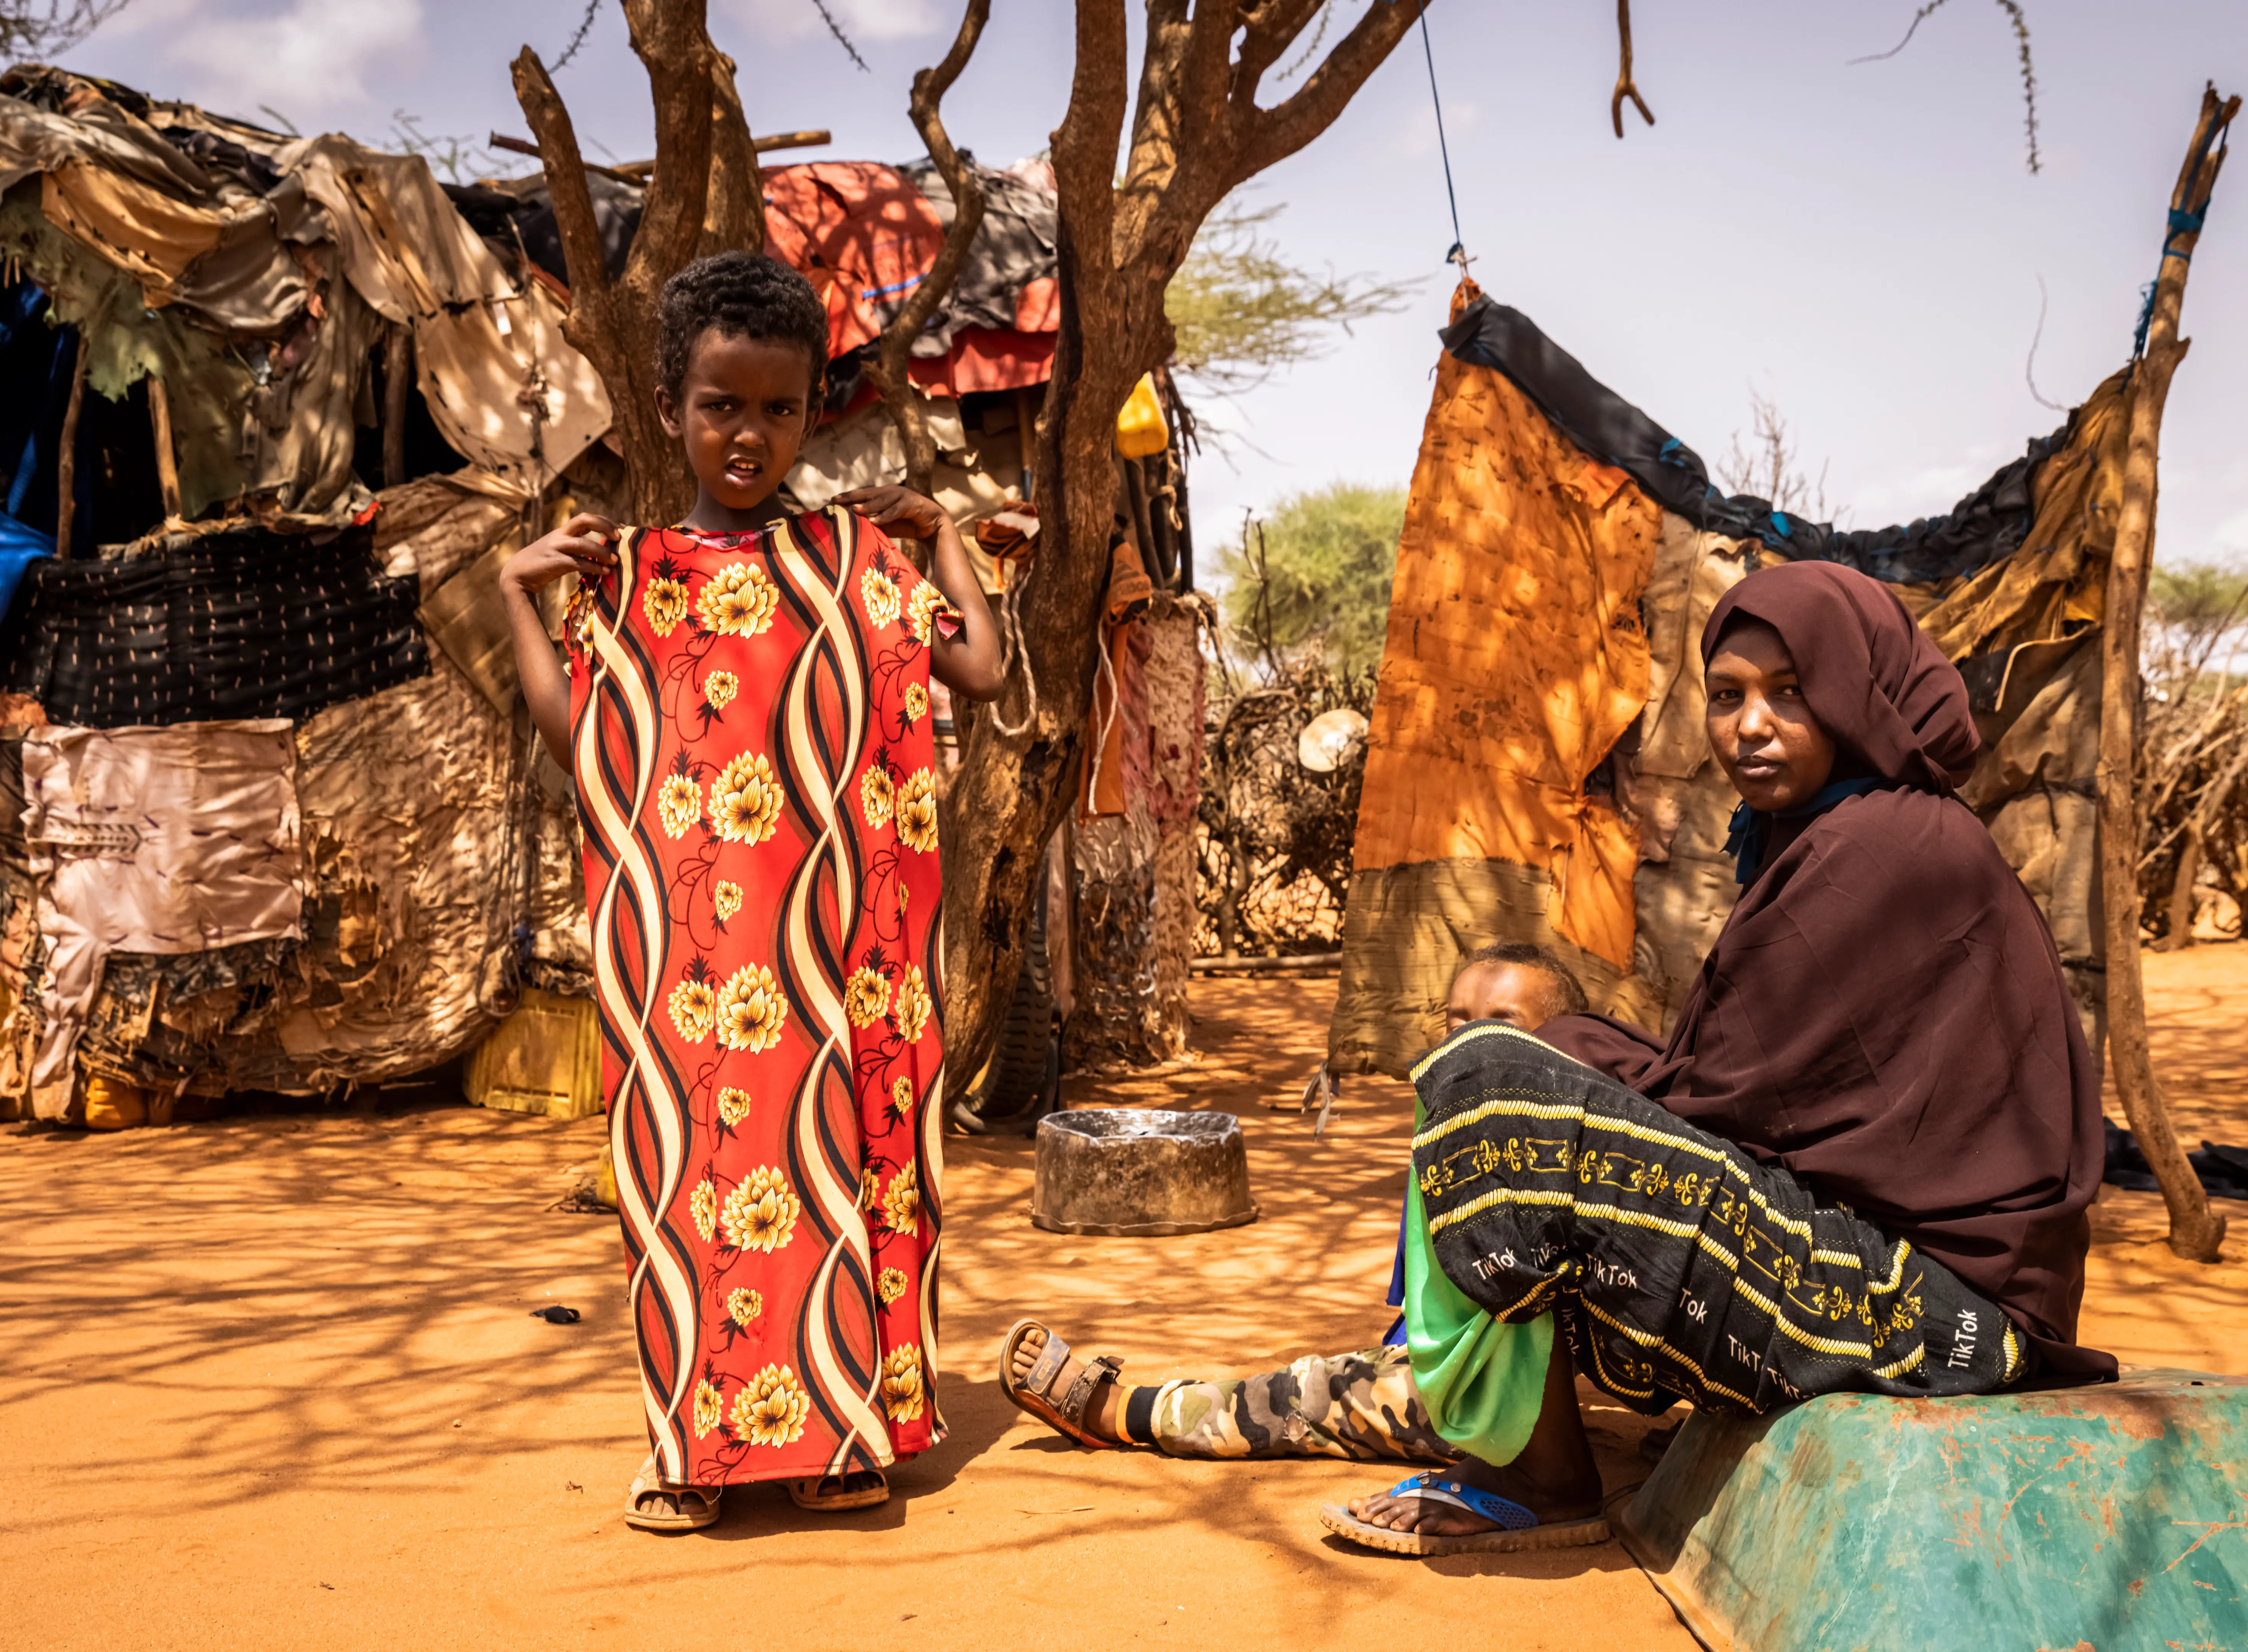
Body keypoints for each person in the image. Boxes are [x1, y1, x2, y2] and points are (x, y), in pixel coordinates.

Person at [1325, 559, 2111, 1556]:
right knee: (1506, 1069)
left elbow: (1722, 1105)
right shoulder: (1834, 838)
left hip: (1942, 1313)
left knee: (1497, 1081)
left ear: (1855, 695)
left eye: (1791, 693)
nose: (1750, 724)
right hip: (1907, 1273)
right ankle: (1512, 1433)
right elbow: (1741, 1092)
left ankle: (1537, 1473)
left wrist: (1540, 1064)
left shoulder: (1882, 850)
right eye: (1728, 696)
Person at [499, 251, 1005, 1532]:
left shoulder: (851, 557)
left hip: (836, 959)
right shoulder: (634, 575)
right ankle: (693, 1448)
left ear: (807, 414)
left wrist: (943, 538)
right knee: (691, 1200)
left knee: (842, 1176)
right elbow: (582, 740)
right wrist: (519, 590)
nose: (749, 434)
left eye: (778, 409)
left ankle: (840, 1434)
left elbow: (983, 672)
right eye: (722, 403)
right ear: (670, 404)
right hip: (691, 969)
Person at [997, 943, 1586, 1466]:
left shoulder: (1547, 1137)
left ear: (1563, 1040)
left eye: (1502, 1023)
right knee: (1353, 1374)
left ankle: (1121, 1410)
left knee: (1308, 1393)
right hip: (1499, 1376)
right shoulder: (1455, 1122)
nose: (1470, 1040)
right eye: (1456, 1021)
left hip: (1497, 1405)